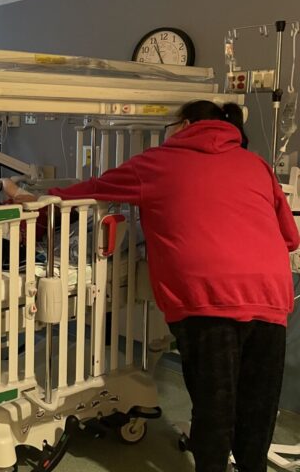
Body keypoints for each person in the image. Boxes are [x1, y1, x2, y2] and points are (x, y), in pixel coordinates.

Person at [48, 100, 299, 472]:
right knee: (258, 407)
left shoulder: (157, 162)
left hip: (207, 298)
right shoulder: (256, 164)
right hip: (270, 295)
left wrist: (37, 199)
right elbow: (290, 238)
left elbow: (92, 190)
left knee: (215, 407)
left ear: (183, 124)